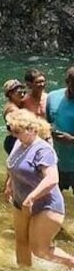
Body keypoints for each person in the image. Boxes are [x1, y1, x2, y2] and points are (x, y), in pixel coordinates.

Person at [4, 109, 74, 269]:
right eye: (11, 130)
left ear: (32, 130)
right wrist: (9, 184)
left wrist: (32, 197)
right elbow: (13, 164)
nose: (14, 135)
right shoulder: (19, 142)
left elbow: (52, 179)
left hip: (46, 205)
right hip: (21, 201)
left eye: (17, 131)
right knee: (21, 241)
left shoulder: (43, 150)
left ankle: (71, 263)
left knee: (39, 250)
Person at [46, 67, 74, 195]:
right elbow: (48, 122)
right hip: (57, 162)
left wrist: (72, 140)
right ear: (67, 81)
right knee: (51, 203)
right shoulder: (52, 97)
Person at [3, 79, 28, 154]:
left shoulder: (14, 105)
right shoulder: (12, 109)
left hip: (12, 139)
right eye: (19, 93)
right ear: (10, 94)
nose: (22, 95)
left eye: (24, 92)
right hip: (14, 140)